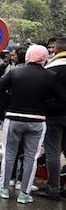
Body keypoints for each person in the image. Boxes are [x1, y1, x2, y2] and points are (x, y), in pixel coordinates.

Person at [0, 44, 66, 203]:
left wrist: (9, 104)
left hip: (14, 118)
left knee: (9, 154)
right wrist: (44, 106)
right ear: (45, 57)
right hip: (37, 121)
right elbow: (62, 99)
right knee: (31, 157)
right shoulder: (51, 76)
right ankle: (24, 194)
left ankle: (4, 189)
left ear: (27, 57)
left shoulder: (15, 72)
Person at [35, 37, 66, 200]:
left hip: (55, 115)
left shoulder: (53, 68)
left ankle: (53, 189)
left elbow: (44, 91)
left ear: (57, 50)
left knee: (53, 152)